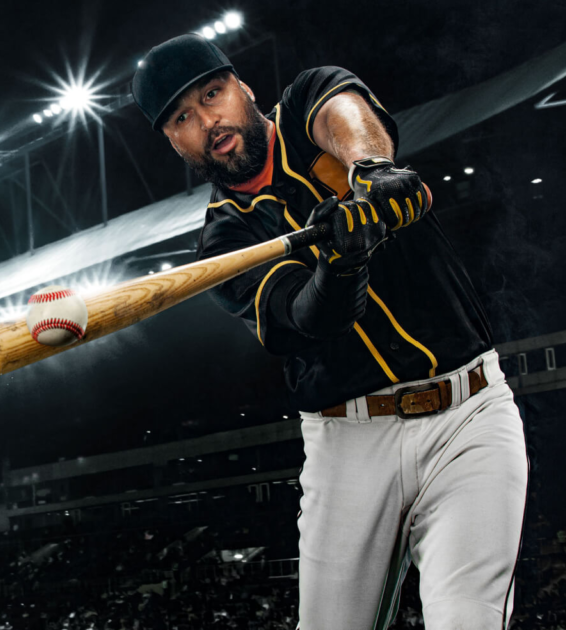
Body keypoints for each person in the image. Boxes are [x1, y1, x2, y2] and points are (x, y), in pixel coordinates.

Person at [132, 34, 528, 630]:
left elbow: (346, 116)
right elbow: (305, 322)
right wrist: (342, 266)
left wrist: (370, 169)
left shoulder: (308, 103)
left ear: (244, 88)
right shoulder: (223, 240)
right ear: (173, 142)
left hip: (467, 415)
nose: (208, 120)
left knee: (468, 619)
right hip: (349, 445)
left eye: (213, 94)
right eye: (183, 118)